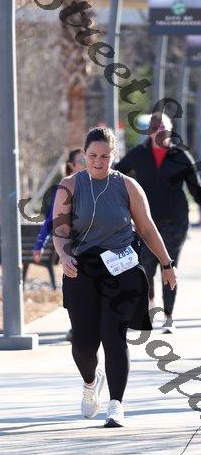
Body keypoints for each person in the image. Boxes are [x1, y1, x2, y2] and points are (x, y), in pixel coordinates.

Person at [53, 127, 177, 428]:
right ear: (84, 155)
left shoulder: (127, 186)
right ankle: (90, 380)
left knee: (114, 336)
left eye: (105, 157)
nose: (98, 162)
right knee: (83, 344)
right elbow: (60, 230)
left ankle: (116, 404)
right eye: (93, 156)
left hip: (121, 269)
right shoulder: (70, 186)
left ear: (114, 155)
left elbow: (146, 228)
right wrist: (65, 256)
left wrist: (166, 264)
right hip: (82, 269)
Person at [115, 111, 201, 333]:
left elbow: (196, 189)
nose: (160, 131)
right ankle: (151, 305)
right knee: (146, 267)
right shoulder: (138, 154)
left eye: (164, 127)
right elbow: (116, 175)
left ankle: (169, 317)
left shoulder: (180, 156)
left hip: (175, 222)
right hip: (145, 223)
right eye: (156, 127)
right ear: (150, 132)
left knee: (169, 265)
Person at [32, 149, 85, 264]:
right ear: (71, 165)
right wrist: (40, 244)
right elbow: (51, 219)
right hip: (74, 250)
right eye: (82, 161)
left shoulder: (97, 187)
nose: (86, 165)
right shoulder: (63, 189)